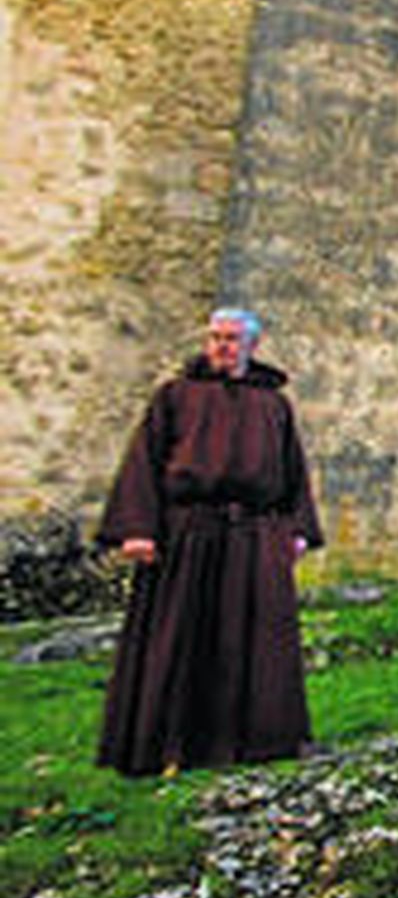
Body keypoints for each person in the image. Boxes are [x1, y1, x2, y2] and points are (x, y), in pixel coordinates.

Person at [96, 307, 324, 777]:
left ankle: (259, 742)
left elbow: (292, 471)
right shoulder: (176, 396)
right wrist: (138, 529)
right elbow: (144, 461)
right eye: (215, 337)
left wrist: (298, 529)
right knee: (178, 638)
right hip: (189, 534)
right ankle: (169, 745)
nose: (221, 346)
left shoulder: (274, 405)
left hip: (254, 537)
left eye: (232, 338)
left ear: (251, 345)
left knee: (256, 640)